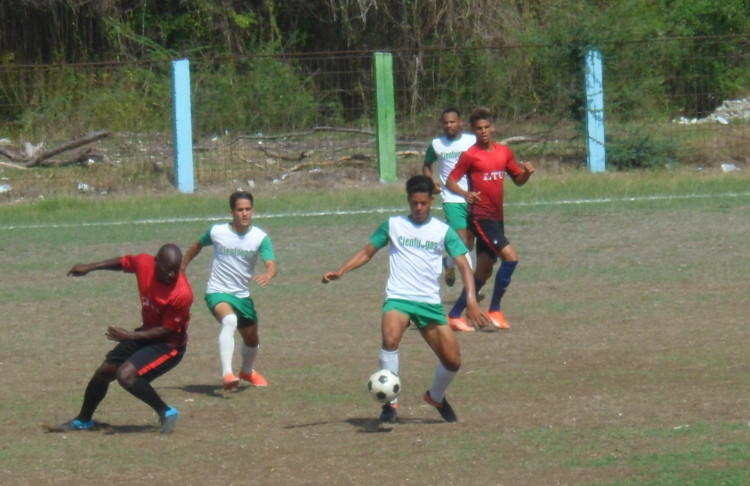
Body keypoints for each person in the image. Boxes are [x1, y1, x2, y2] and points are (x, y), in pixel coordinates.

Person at [321, 175, 487, 424]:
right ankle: (390, 405)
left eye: (423, 203)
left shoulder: (443, 231)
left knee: (453, 361)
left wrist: (471, 302)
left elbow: (464, 265)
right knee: (390, 339)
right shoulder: (394, 225)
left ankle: (436, 396)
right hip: (399, 297)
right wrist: (341, 270)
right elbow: (368, 252)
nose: (418, 208)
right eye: (413, 203)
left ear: (432, 200)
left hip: (429, 303)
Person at [59, 244, 193, 434]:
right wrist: (90, 266)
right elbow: (122, 263)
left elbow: (165, 330)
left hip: (168, 345)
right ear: (156, 262)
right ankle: (83, 421)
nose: (172, 274)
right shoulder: (145, 263)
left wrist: (128, 336)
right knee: (104, 372)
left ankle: (167, 411)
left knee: (125, 375)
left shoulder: (182, 293)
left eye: (176, 269)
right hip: (145, 333)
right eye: (167, 269)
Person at [445, 106, 535, 332]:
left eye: (486, 127)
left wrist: (527, 173)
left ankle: (454, 315)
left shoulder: (504, 152)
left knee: (484, 271)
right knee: (511, 258)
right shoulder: (470, 156)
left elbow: (518, 180)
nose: (483, 131)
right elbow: (450, 181)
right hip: (480, 217)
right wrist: (466, 194)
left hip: (496, 218)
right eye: (478, 129)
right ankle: (494, 309)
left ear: (492, 128)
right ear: (473, 131)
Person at [181, 190, 277, 391]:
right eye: (239, 210)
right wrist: (182, 269)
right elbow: (196, 246)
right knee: (230, 320)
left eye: (248, 209)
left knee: (252, 339)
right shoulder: (217, 232)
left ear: (253, 211)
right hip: (217, 291)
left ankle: (247, 371)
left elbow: (271, 263)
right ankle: (227, 374)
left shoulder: (260, 237)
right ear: (231, 212)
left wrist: (269, 273)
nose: (244, 214)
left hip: (242, 295)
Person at [422, 108, 481, 332]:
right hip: (451, 197)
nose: (449, 126)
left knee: (469, 244)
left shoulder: (471, 140)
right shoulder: (436, 145)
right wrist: (431, 184)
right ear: (442, 124)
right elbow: (427, 165)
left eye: (453, 122)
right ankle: (470, 292)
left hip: (474, 196)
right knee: (462, 243)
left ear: (460, 122)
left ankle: (448, 263)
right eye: (445, 123)